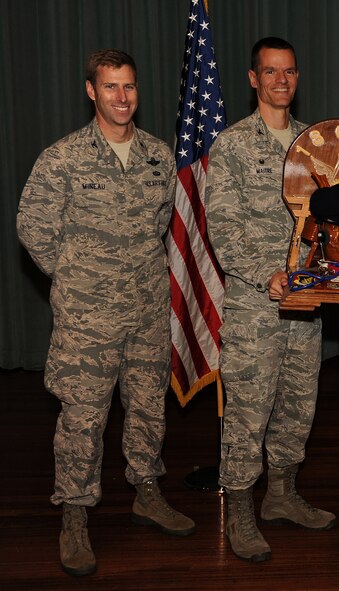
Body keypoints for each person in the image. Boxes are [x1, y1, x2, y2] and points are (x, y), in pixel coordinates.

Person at [17, 49, 195, 577]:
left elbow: (159, 224)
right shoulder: (63, 158)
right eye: (112, 87)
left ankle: (145, 491)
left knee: (147, 407)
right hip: (86, 320)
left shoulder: (159, 157)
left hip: (145, 310)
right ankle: (74, 515)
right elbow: (34, 227)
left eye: (130, 86)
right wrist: (76, 278)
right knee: (82, 418)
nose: (123, 97)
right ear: (92, 91)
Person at [206, 37, 334, 564]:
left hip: (306, 306)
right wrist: (267, 275)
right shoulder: (233, 145)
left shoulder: (317, 144)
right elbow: (222, 226)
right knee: (248, 413)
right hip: (256, 307)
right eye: (271, 72)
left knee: (297, 406)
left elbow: (333, 219)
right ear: (254, 79)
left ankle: (281, 494)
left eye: (290, 72)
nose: (281, 80)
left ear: (297, 78)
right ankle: (239, 506)